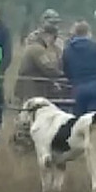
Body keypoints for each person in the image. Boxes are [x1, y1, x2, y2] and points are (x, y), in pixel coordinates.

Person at [11, 24, 63, 154]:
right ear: (48, 36)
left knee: (27, 117)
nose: (53, 42)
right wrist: (61, 74)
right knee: (27, 118)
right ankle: (22, 147)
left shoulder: (33, 47)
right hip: (31, 88)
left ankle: (24, 146)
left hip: (28, 86)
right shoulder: (37, 50)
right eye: (53, 38)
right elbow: (48, 68)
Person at [61, 21, 96, 116]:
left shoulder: (68, 50)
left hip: (79, 88)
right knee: (95, 118)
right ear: (89, 32)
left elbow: (66, 70)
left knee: (80, 119)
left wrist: (74, 79)